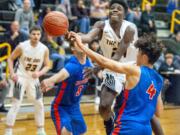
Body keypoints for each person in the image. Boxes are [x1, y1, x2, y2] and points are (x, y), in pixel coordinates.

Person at [69, 32, 164, 135]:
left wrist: (81, 45)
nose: (136, 55)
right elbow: (159, 112)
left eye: (138, 52)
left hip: (127, 128)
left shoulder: (135, 70)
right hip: (146, 130)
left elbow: (104, 62)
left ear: (144, 57)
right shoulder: (158, 80)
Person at [4, 26, 50, 135]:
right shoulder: (22, 46)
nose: (36, 36)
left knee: (39, 103)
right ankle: (8, 131)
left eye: (38, 34)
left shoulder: (44, 49)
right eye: (34, 34)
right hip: (20, 76)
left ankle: (40, 130)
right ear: (30, 34)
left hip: (34, 79)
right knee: (16, 103)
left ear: (41, 35)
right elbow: (10, 59)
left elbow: (48, 65)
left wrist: (39, 73)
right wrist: (12, 73)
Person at [40, 42, 93, 135]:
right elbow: (63, 74)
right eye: (79, 43)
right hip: (61, 107)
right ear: (73, 48)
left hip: (75, 107)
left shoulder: (89, 64)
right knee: (67, 133)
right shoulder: (73, 64)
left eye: (84, 42)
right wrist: (51, 80)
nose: (83, 44)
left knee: (82, 131)